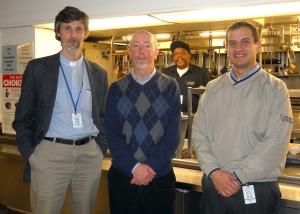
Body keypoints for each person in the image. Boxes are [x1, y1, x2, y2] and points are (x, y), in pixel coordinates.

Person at [12, 6, 108, 214]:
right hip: (50, 154)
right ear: (58, 32)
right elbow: (22, 118)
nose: (73, 35)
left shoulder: (99, 73)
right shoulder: (38, 69)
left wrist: (99, 150)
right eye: (67, 29)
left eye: (78, 29)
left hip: (88, 154)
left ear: (85, 33)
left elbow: (102, 116)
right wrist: (31, 155)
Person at [192, 21, 293, 214]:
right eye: (232, 43)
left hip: (256, 186)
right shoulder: (213, 88)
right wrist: (213, 171)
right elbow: (199, 133)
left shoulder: (275, 88)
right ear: (226, 48)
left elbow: (276, 142)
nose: (238, 48)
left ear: (258, 45)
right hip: (215, 184)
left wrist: (239, 175)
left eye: (245, 42)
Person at [104, 30, 181, 214]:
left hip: (159, 178)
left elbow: (172, 135)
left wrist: (149, 168)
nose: (141, 51)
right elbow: (112, 134)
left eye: (147, 46)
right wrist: (134, 167)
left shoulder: (171, 87)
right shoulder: (116, 89)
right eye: (136, 46)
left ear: (156, 52)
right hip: (123, 178)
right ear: (129, 52)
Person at [162, 40, 209, 113]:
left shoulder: (200, 73)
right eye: (175, 54)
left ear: (189, 56)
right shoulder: (166, 73)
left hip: (194, 117)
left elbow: (208, 98)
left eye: (182, 53)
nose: (179, 56)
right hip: (170, 118)